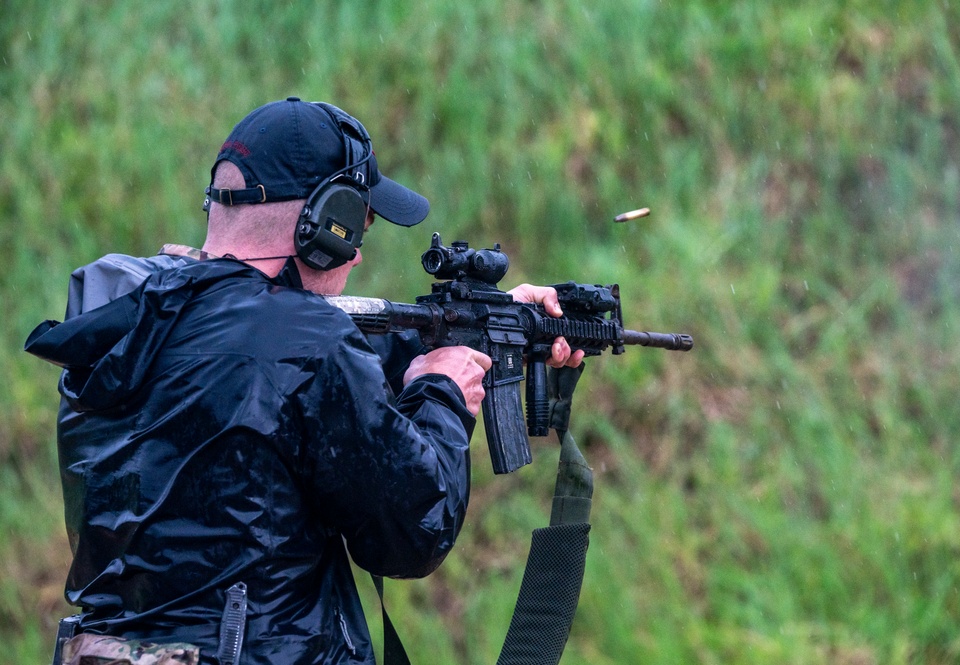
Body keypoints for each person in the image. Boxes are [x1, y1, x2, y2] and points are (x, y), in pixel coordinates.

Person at [25, 97, 582, 665]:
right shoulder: (308, 345)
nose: (359, 254)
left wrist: (465, 332)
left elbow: (272, 373)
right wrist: (443, 394)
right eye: (359, 224)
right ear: (326, 221)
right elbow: (414, 530)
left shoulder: (127, 314)